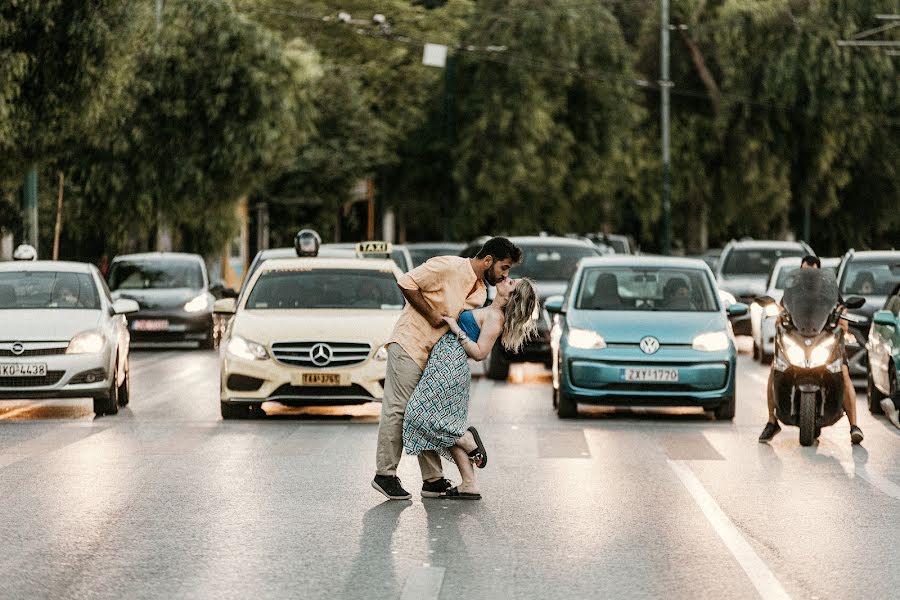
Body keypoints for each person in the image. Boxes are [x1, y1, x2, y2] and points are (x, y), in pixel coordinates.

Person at [372, 237, 522, 501]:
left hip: (436, 356)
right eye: (504, 268)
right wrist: (430, 314)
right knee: (399, 408)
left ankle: (432, 480)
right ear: (488, 260)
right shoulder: (448, 266)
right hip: (411, 343)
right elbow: (406, 282)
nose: (505, 275)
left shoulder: (480, 292)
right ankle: (385, 474)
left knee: (425, 412)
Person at [402, 277, 538, 499]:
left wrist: (456, 328)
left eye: (512, 283)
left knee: (417, 415)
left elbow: (480, 353)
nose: (506, 279)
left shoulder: (496, 318)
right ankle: (469, 483)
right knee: (447, 425)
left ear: (511, 297)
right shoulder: (489, 309)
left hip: (450, 365)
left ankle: (466, 439)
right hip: (443, 361)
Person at [759, 255, 864, 444]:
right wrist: (777, 316)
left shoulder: (828, 292)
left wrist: (843, 316)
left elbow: (842, 311)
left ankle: (854, 426)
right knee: (775, 368)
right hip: (798, 342)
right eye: (804, 270)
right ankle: (771, 421)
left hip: (824, 343)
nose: (807, 275)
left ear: (818, 272)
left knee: (844, 372)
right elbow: (781, 314)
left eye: (811, 271)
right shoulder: (792, 292)